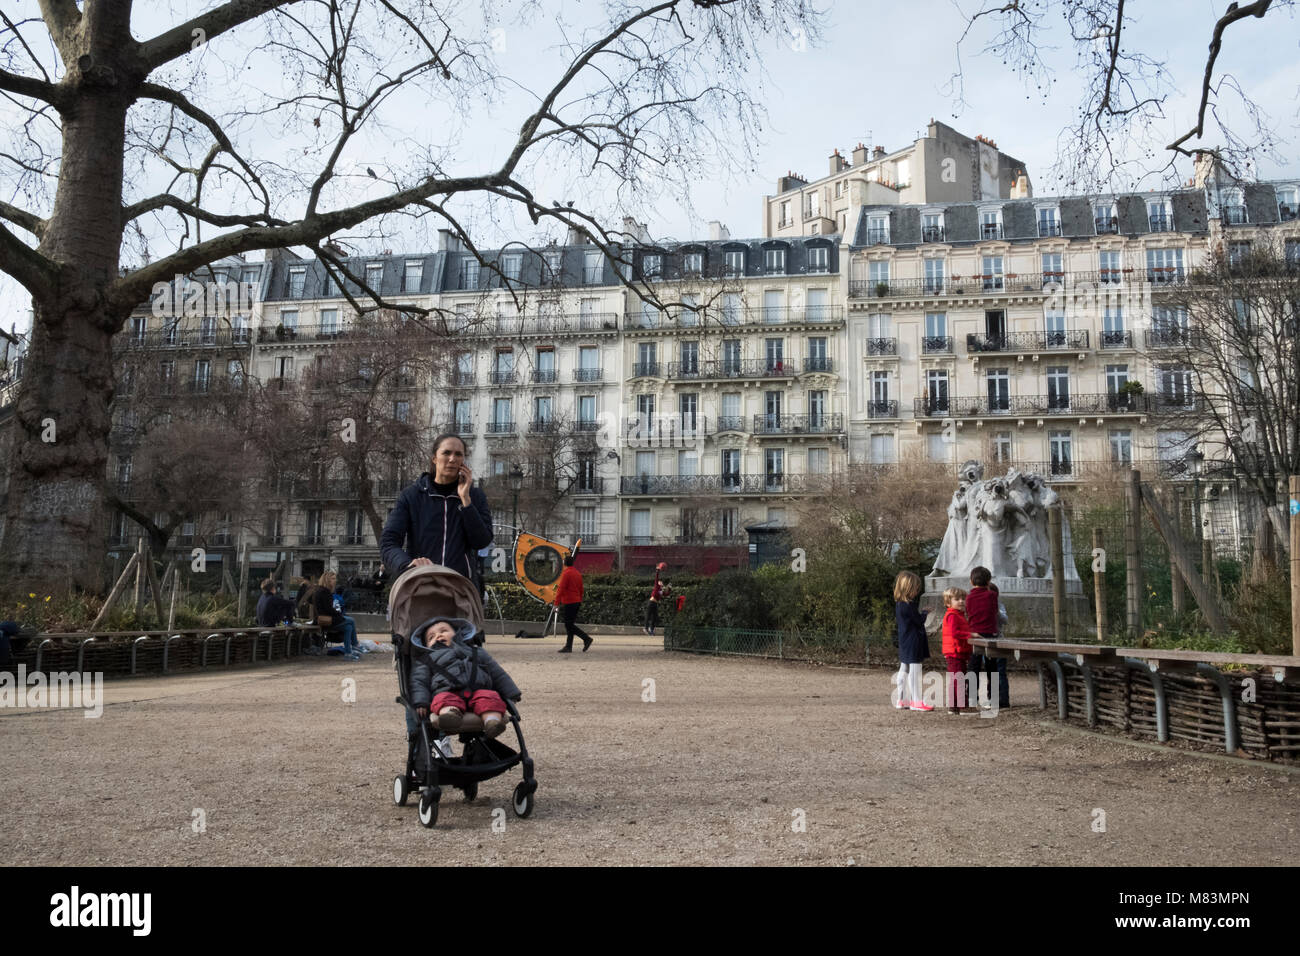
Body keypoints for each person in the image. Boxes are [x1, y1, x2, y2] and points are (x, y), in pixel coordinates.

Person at [380, 433, 493, 582]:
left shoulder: (475, 497)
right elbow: (388, 542)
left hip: (461, 588)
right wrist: (406, 564)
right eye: (446, 453)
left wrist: (466, 502)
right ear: (434, 458)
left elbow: (482, 541)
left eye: (458, 454)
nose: (452, 459)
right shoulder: (411, 496)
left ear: (463, 461)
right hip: (420, 586)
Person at [412, 618, 521, 740]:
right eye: (431, 637)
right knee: (442, 699)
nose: (438, 635)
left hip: (479, 690)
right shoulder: (427, 659)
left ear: (457, 633)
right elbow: (419, 682)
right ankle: (450, 716)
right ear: (426, 645)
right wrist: (421, 702)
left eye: (444, 631)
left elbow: (497, 673)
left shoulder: (476, 651)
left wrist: (511, 693)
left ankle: (492, 723)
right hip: (448, 691)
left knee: (491, 698)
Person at [965, 566, 1006, 710]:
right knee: (992, 669)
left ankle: (971, 698)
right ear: (989, 581)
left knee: (973, 667)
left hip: (975, 634)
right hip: (990, 635)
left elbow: (968, 613)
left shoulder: (969, 597)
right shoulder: (992, 596)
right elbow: (995, 611)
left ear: (971, 581)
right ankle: (992, 698)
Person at [893, 571, 933, 712]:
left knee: (903, 668)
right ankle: (916, 701)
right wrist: (924, 613)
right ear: (909, 588)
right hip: (913, 639)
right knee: (915, 670)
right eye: (915, 588)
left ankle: (901, 699)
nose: (917, 591)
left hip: (904, 639)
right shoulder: (909, 605)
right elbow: (918, 621)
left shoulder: (899, 604)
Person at [941, 586, 975, 716]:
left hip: (957, 651)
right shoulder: (952, 615)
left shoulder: (957, 615)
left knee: (956, 678)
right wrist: (970, 635)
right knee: (959, 679)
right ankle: (963, 706)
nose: (961, 601)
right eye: (957, 599)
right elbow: (955, 633)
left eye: (963, 599)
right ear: (948, 602)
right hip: (955, 652)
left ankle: (954, 706)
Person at [313, 570, 360, 661]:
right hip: (326, 620)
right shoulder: (325, 592)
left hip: (327, 618)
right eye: (333, 578)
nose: (335, 581)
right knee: (351, 620)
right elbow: (328, 610)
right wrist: (338, 614)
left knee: (348, 628)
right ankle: (355, 645)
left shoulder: (321, 590)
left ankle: (348, 653)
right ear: (327, 580)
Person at [554, 554, 592, 653]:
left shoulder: (566, 574)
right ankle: (568, 646)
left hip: (569, 601)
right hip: (576, 601)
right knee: (570, 624)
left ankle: (586, 638)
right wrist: (579, 599)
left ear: (564, 563)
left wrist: (556, 603)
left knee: (568, 625)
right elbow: (581, 589)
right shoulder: (577, 573)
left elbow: (560, 589)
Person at [643, 563, 670, 636]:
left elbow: (666, 594)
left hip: (655, 603)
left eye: (661, 582)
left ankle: (651, 629)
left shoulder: (661, 590)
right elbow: (656, 579)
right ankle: (645, 628)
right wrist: (657, 571)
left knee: (655, 617)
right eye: (659, 582)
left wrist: (669, 589)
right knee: (648, 615)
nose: (660, 582)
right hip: (651, 602)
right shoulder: (656, 587)